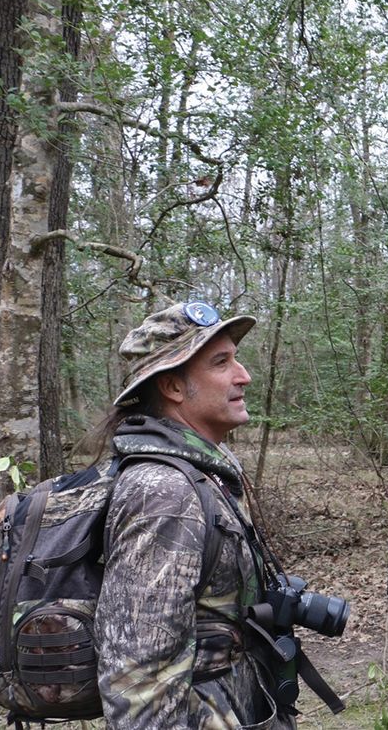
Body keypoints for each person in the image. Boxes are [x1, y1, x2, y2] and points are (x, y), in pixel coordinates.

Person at [91, 301, 293, 729]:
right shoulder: (163, 493)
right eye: (222, 363)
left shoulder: (206, 470)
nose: (244, 376)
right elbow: (138, 680)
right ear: (173, 387)